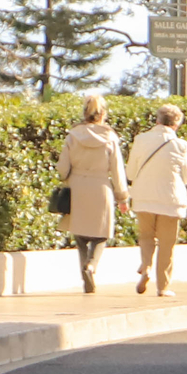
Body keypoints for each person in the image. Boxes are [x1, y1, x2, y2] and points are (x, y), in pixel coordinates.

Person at [55, 94, 129, 294]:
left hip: (78, 187)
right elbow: (117, 169)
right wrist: (122, 196)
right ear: (103, 113)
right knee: (101, 235)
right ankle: (91, 266)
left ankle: (83, 273)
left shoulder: (73, 136)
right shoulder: (110, 137)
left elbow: (62, 167)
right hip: (101, 186)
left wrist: (68, 177)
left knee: (80, 237)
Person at [125, 104, 187, 297]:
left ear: (157, 120)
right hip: (171, 200)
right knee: (167, 244)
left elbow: (130, 172)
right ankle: (163, 287)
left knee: (146, 237)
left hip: (143, 197)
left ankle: (146, 267)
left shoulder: (140, 140)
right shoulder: (181, 146)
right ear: (176, 124)